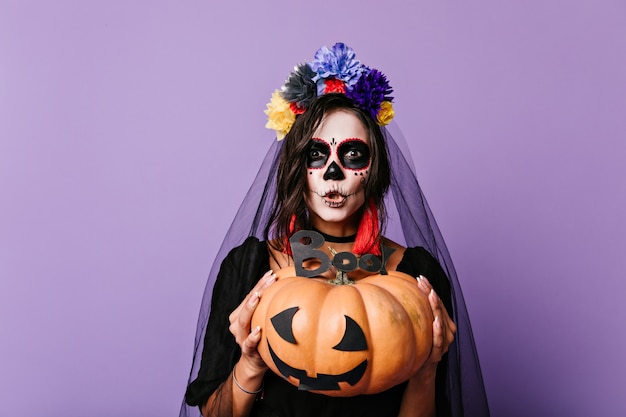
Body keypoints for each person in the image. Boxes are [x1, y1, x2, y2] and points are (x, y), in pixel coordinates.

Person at [180, 43, 490, 417]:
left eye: (352, 154)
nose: (332, 173)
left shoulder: (416, 278)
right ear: (296, 168)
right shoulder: (249, 269)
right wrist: (251, 360)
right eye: (316, 154)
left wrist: (425, 370)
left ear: (374, 169)